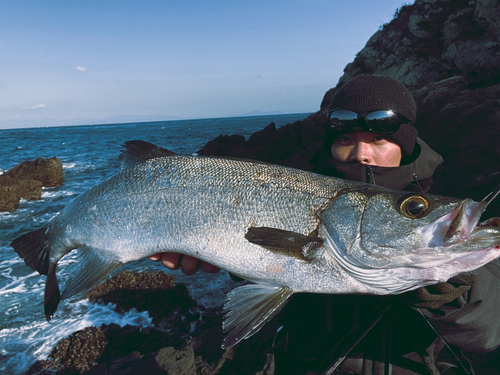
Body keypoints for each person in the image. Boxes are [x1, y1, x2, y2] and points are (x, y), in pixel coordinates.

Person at [150, 74, 500, 374]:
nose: (361, 153)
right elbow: (268, 267)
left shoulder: (444, 213)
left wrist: (448, 283)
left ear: (405, 145)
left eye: (378, 139)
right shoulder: (292, 197)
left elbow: (487, 332)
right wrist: (234, 264)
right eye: (346, 139)